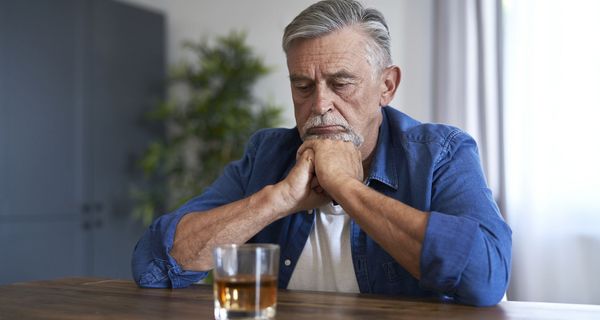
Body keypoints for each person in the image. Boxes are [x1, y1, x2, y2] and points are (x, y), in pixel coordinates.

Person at [131, 0, 511, 307]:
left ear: (387, 86)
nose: (320, 104)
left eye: (341, 83)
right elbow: (152, 265)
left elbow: (486, 277)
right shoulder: (268, 153)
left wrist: (347, 187)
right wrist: (278, 199)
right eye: (302, 86)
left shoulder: (441, 154)